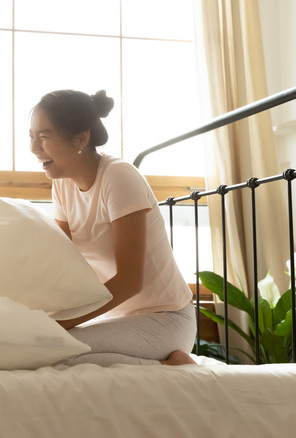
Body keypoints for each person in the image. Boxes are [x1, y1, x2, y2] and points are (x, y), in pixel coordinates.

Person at [29, 89, 197, 366]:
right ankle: (163, 365)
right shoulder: (63, 183)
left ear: (82, 138)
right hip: (117, 318)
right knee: (39, 347)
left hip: (165, 319)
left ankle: (171, 366)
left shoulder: (119, 177)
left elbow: (130, 281)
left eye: (44, 137)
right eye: (32, 137)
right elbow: (58, 258)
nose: (34, 148)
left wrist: (63, 323)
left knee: (56, 354)